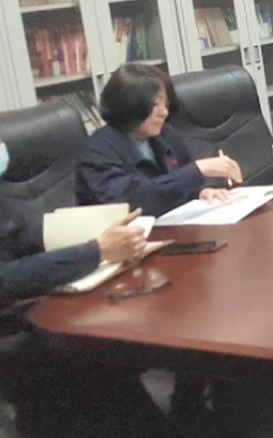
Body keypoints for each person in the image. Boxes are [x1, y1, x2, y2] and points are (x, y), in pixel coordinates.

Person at [0, 138, 168, 437]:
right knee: (96, 354)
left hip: (37, 308)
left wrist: (100, 236)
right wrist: (96, 251)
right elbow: (6, 280)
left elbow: (24, 241)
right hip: (14, 336)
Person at [76, 64, 243, 217]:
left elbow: (179, 185)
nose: (164, 112)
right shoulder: (97, 151)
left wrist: (201, 192)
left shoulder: (164, 134)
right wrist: (197, 170)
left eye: (166, 104)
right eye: (156, 104)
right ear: (130, 105)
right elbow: (132, 203)